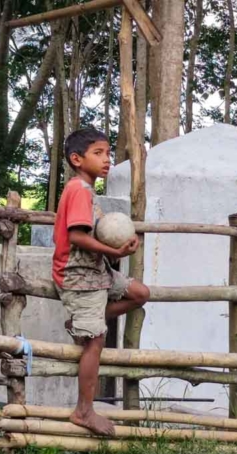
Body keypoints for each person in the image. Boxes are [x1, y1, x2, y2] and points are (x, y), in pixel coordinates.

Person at [52, 128, 150, 436]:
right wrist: (115, 251)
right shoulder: (78, 190)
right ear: (76, 159)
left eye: (108, 153)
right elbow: (77, 236)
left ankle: (87, 320)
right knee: (96, 341)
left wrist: (115, 253)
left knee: (139, 293)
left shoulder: (88, 190)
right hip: (78, 274)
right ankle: (84, 410)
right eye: (99, 153)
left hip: (98, 271)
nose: (107, 160)